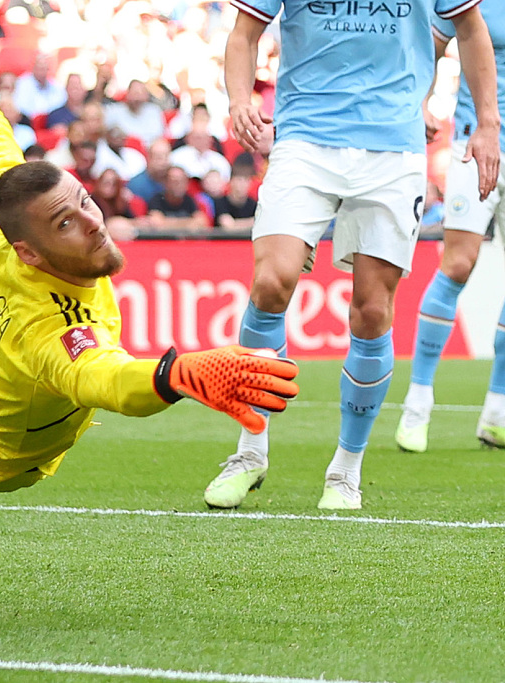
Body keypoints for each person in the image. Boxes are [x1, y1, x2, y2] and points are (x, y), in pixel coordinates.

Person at [0, 67, 300, 494]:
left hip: (3, 372)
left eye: (83, 201)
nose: (93, 221)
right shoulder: (54, 328)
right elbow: (109, 379)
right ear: (28, 251)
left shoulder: (5, 194)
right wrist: (176, 374)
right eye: (65, 223)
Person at [202, 0, 499, 511]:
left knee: (371, 311)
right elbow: (243, 35)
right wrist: (237, 99)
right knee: (271, 282)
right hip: (303, 141)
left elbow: (471, 32)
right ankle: (249, 452)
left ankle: (346, 469)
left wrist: (488, 122)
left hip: (392, 150)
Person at [397, 9, 505, 453]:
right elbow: (434, 46)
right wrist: (420, 102)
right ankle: (417, 403)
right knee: (458, 264)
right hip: (472, 141)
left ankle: (497, 412)